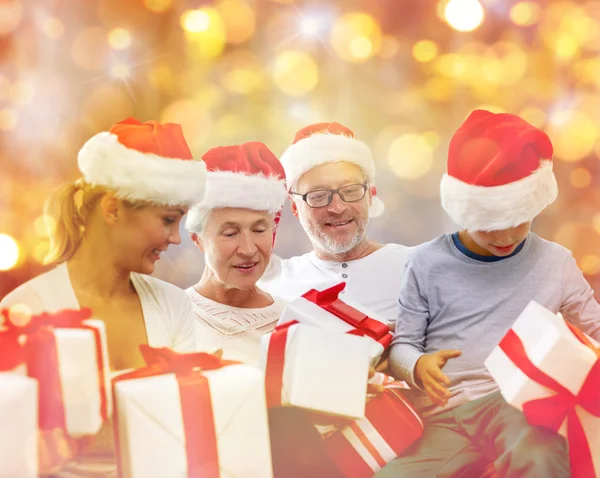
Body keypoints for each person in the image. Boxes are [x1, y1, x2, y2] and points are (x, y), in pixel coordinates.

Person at [377, 110, 600, 477]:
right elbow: (403, 344)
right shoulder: (424, 263)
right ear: (462, 210)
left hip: (518, 406)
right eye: (489, 226)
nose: (506, 237)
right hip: (445, 417)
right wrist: (418, 365)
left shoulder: (556, 263)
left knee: (538, 454)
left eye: (519, 221)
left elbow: (593, 327)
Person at [1, 117, 207, 476]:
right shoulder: (26, 310)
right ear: (112, 209)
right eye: (167, 220)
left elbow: (191, 432)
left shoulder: (174, 306)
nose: (176, 239)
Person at [185, 141, 350, 478]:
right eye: (230, 232)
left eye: (260, 230)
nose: (248, 249)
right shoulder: (173, 316)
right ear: (198, 239)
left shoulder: (298, 320)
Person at [258, 122, 411, 327]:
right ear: (295, 208)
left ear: (370, 196)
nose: (337, 208)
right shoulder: (272, 286)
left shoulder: (415, 267)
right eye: (318, 196)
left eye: (350, 190)